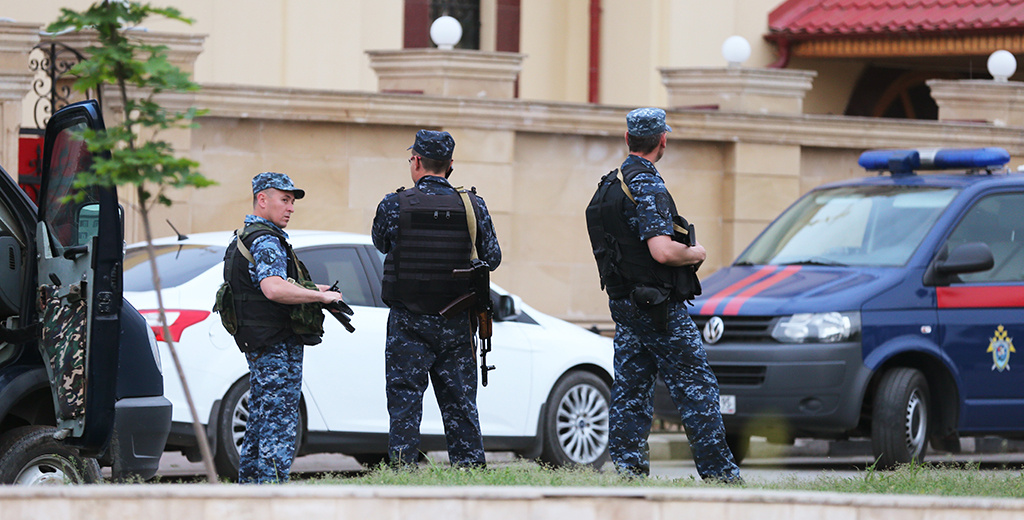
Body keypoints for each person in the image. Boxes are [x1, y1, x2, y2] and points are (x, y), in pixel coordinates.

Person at [586, 108, 741, 483]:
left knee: (630, 390)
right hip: (657, 307)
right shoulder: (647, 185)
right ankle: (720, 475)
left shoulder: (609, 185)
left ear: (628, 139)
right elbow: (662, 251)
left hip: (624, 304)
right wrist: (696, 253)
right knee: (697, 386)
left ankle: (629, 473)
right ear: (663, 141)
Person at [371, 130, 501, 468]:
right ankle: (470, 476)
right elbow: (493, 258)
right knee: (461, 406)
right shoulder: (473, 206)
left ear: (416, 160)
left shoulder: (394, 204)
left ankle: (403, 475)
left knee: (404, 405)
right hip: (456, 324)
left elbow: (381, 243)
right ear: (450, 164)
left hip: (408, 324)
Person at [231, 172, 342, 483]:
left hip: (263, 343)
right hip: (275, 345)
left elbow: (270, 284)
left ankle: (249, 493)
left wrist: (314, 289)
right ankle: (272, 495)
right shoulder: (266, 239)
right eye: (284, 200)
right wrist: (319, 296)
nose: (291, 207)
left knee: (259, 422)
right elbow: (272, 288)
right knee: (278, 426)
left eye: (292, 201)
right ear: (262, 199)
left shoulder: (246, 234)